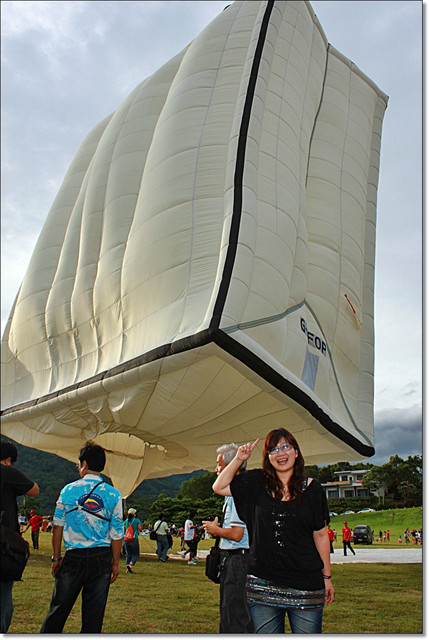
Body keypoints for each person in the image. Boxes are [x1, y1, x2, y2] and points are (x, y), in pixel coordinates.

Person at [212, 429, 334, 634]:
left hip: (306, 584)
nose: (280, 453)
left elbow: (321, 535)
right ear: (268, 457)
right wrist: (239, 459)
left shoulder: (313, 488)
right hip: (262, 583)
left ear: (296, 452)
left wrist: (327, 578)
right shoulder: (256, 482)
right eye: (273, 450)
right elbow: (219, 486)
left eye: (285, 447)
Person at [40, 440, 123, 633]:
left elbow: (58, 527)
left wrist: (56, 557)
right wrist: (115, 563)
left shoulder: (68, 490)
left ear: (84, 464)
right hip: (101, 558)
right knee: (93, 618)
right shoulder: (113, 494)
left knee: (58, 611)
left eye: (78, 464)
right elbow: (116, 534)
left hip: (74, 557)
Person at [202, 443, 253, 634]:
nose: (216, 469)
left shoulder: (237, 493)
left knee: (234, 616)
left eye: (219, 464)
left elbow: (237, 534)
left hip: (238, 560)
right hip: (237, 558)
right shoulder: (232, 493)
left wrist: (216, 530)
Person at [0, 440, 39, 633]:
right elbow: (34, 489)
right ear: (7, 460)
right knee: (4, 596)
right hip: (4, 545)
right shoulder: (7, 471)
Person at [123, 508, 143, 573]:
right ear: (134, 514)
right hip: (134, 539)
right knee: (136, 554)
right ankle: (131, 564)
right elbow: (140, 529)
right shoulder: (136, 520)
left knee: (128, 554)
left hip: (126, 539)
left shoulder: (126, 521)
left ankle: (127, 568)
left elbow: (124, 529)